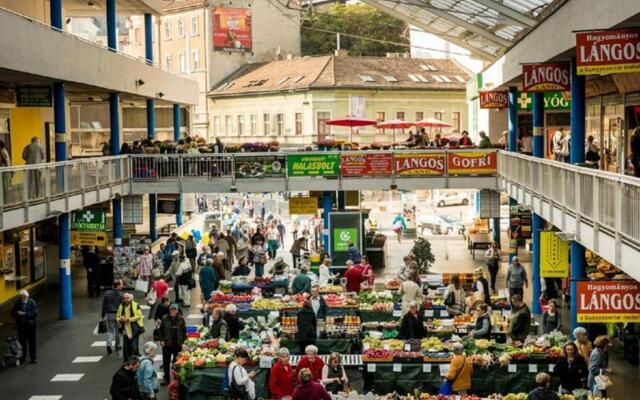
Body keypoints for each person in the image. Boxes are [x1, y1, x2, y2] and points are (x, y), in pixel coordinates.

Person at [159, 303, 186, 384]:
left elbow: (184, 332)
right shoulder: (164, 318)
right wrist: (161, 340)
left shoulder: (181, 319)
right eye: (172, 309)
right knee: (166, 362)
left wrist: (184, 342)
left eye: (175, 309)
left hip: (177, 344)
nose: (173, 311)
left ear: (177, 310)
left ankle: (175, 379)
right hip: (167, 344)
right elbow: (160, 330)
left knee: (176, 362)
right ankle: (166, 378)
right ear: (169, 310)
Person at [11, 289, 38, 363]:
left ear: (27, 297)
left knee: (32, 342)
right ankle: (23, 357)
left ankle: (33, 358)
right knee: (22, 342)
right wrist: (17, 313)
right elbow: (12, 313)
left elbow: (34, 313)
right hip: (21, 326)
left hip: (30, 325)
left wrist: (25, 314)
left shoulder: (32, 302)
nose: (22, 299)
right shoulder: (18, 303)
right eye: (21, 297)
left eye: (24, 297)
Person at [117, 293, 144, 362]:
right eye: (124, 298)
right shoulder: (121, 306)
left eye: (127, 298)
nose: (126, 300)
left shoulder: (136, 305)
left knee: (134, 347)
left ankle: (134, 362)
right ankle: (127, 362)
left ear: (130, 298)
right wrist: (120, 319)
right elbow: (117, 317)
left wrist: (129, 319)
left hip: (135, 329)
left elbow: (139, 316)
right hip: (125, 329)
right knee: (126, 347)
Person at [102, 279, 124, 355]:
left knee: (110, 330)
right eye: (120, 285)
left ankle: (109, 344)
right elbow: (122, 306)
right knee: (118, 331)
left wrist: (103, 315)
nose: (121, 286)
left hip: (109, 314)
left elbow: (104, 305)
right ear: (118, 286)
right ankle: (117, 345)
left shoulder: (107, 293)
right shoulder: (120, 295)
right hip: (117, 315)